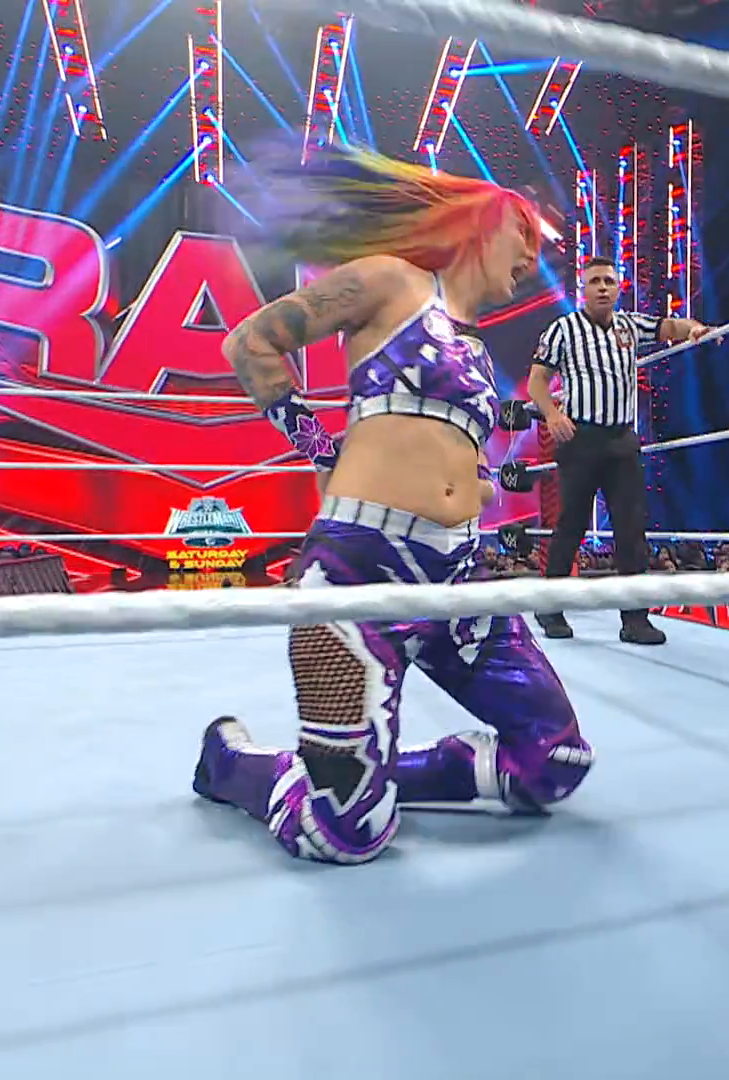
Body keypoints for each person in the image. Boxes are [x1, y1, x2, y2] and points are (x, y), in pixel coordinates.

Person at [191, 150, 593, 865]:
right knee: (345, 838)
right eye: (525, 233)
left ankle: (364, 776)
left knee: (554, 762)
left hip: (458, 581)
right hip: (359, 573)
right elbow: (249, 343)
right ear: (484, 220)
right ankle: (232, 761)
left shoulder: (475, 353)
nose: (534, 257)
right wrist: (321, 451)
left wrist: (485, 484)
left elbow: (453, 460)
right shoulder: (392, 281)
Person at [526, 255, 717, 645]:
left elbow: (669, 326)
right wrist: (552, 415)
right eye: (595, 281)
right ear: (583, 288)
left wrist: (695, 329)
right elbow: (537, 382)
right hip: (581, 439)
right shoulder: (563, 329)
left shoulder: (630, 324)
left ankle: (635, 619)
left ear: (617, 288)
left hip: (623, 440)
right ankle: (550, 606)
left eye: (608, 281)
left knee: (631, 529)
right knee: (572, 525)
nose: (602, 287)